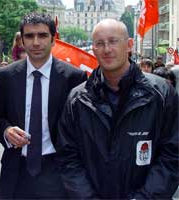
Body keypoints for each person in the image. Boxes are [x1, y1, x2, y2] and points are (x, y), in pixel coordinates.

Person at [57, 19, 179, 199]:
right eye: (100, 43)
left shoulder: (161, 94)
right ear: (93, 49)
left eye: (113, 41)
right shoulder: (77, 99)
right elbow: (68, 157)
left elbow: (172, 154)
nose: (107, 49)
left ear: (129, 45)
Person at [0, 12, 86, 199]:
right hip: (16, 172)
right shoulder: (5, 76)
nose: (36, 42)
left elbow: (82, 128)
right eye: (29, 36)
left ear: (53, 40)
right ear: (22, 41)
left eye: (43, 35)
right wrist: (6, 130)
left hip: (58, 172)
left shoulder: (74, 77)